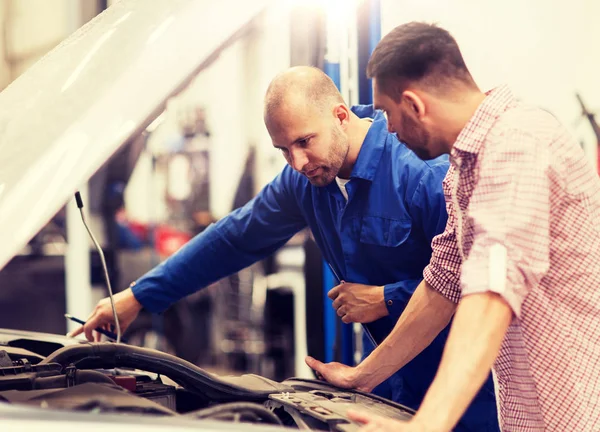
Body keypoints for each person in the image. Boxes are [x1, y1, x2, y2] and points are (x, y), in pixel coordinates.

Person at [70, 66, 498, 431]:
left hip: (470, 387)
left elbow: (483, 285)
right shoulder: (308, 181)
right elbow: (235, 237)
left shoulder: (422, 172)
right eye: (283, 149)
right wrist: (139, 296)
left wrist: (387, 298)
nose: (296, 162)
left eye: (304, 141)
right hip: (382, 380)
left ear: (340, 115)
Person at [307, 22, 600, 432]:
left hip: (576, 415)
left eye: (388, 114)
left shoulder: (518, 143)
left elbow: (492, 288)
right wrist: (362, 377)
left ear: (415, 104)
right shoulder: (464, 168)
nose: (387, 128)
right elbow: (443, 284)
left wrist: (430, 423)